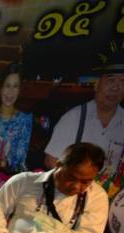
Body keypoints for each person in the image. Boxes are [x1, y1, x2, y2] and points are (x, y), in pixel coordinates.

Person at [44, 51, 124, 198]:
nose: (116, 87)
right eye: (111, 80)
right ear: (97, 84)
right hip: (73, 196)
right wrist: (78, 182)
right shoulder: (73, 119)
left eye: (122, 82)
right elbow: (51, 161)